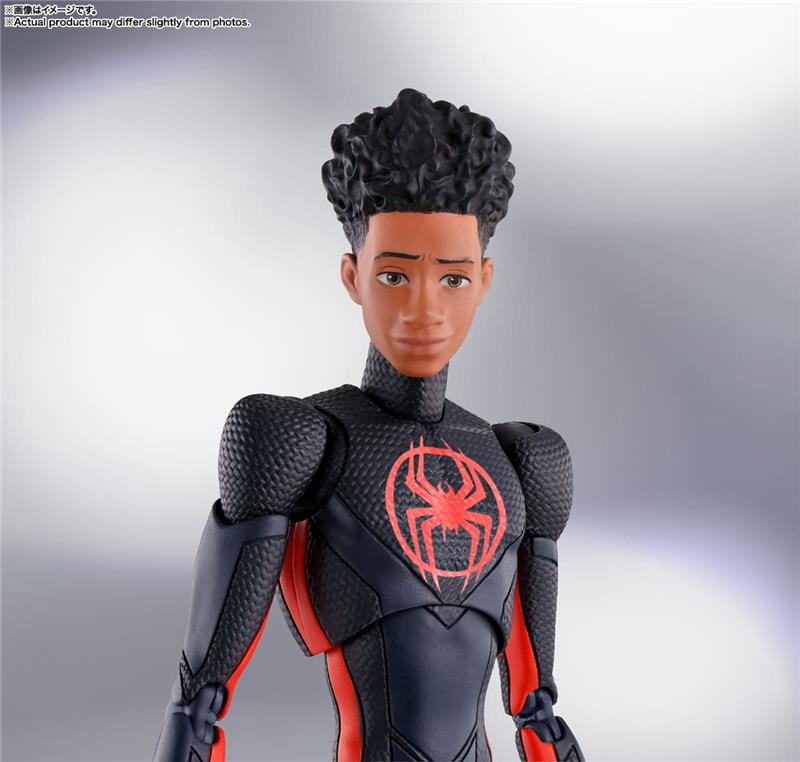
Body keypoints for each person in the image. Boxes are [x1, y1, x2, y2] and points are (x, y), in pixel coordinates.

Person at [153, 87, 584, 762]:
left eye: (452, 279)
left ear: (483, 280)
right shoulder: (297, 440)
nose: (423, 310)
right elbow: (200, 702)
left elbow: (537, 711)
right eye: (394, 277)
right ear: (353, 277)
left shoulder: (524, 463)